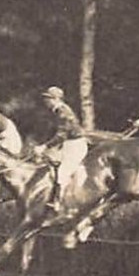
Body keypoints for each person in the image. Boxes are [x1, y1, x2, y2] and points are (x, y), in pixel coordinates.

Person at [38, 86, 88, 214]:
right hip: (67, 144)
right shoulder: (56, 111)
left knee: (62, 172)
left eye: (48, 98)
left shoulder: (63, 112)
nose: (45, 101)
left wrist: (45, 146)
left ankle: (58, 202)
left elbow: (61, 135)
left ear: (56, 99)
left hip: (75, 145)